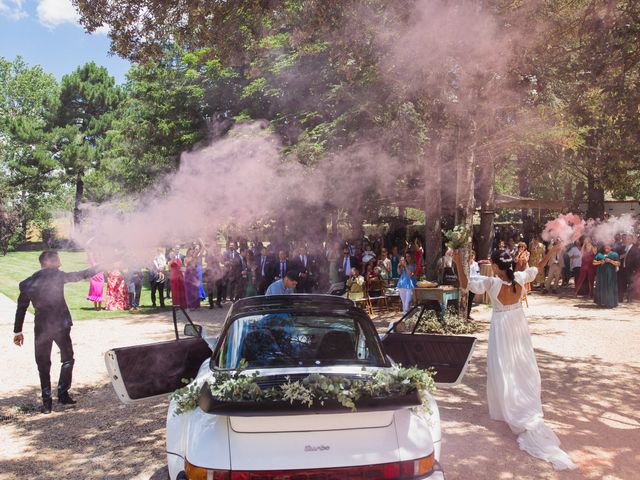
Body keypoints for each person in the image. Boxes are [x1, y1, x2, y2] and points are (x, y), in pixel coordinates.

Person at [452, 246, 576, 470]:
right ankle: (520, 402)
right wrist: (551, 252)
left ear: (497, 267)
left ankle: (506, 407)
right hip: (519, 324)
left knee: (503, 367)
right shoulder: (519, 277)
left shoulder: (492, 283)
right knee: (521, 364)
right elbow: (538, 268)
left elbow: (464, 283)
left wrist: (458, 260)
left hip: (502, 327)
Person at [13, 251, 97, 413]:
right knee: (67, 359)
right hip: (60, 325)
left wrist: (18, 332)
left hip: (42, 327)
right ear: (48, 262)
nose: (60, 262)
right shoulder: (57, 276)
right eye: (57, 259)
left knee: (43, 364)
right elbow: (82, 274)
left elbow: (21, 309)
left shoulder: (27, 283)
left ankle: (47, 404)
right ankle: (63, 394)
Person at [593, 243, 620, 308]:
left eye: (608, 246)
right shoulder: (599, 254)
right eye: (605, 246)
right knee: (601, 287)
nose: (606, 247)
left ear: (611, 247)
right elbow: (593, 262)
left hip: (611, 275)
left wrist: (610, 261)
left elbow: (618, 264)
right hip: (601, 275)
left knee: (609, 287)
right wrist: (600, 262)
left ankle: (610, 303)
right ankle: (601, 302)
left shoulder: (614, 254)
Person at [467, 250, 480, 320]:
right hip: (467, 284)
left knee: (470, 300)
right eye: (470, 256)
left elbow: (477, 273)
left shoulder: (476, 264)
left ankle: (468, 314)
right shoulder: (466, 264)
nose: (472, 258)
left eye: (473, 256)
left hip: (473, 283)